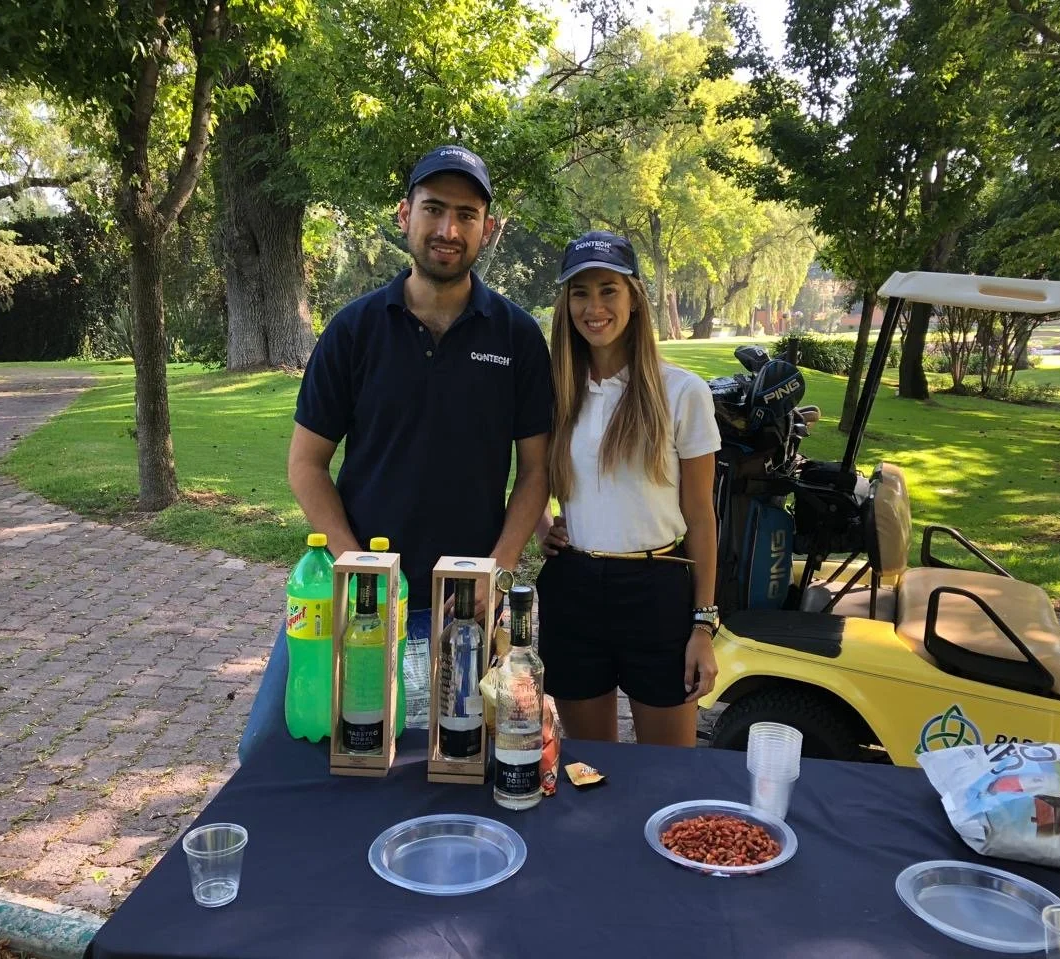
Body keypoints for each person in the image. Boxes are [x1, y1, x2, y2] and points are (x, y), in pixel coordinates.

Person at [238, 145, 552, 762]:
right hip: (357, 593)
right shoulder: (354, 330)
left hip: (466, 603)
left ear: (488, 228)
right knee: (272, 753)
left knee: (464, 762)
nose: (448, 229)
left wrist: (499, 568)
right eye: (434, 209)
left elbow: (537, 471)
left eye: (467, 213)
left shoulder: (516, 336)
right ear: (405, 214)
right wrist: (355, 565)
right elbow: (306, 464)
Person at [535, 231, 720, 748]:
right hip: (574, 588)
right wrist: (543, 528)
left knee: (668, 774)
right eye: (580, 292)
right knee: (591, 766)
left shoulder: (682, 393)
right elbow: (531, 477)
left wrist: (703, 626)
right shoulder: (554, 393)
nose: (594, 307)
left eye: (608, 290)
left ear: (635, 299)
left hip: (657, 589)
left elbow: (702, 517)